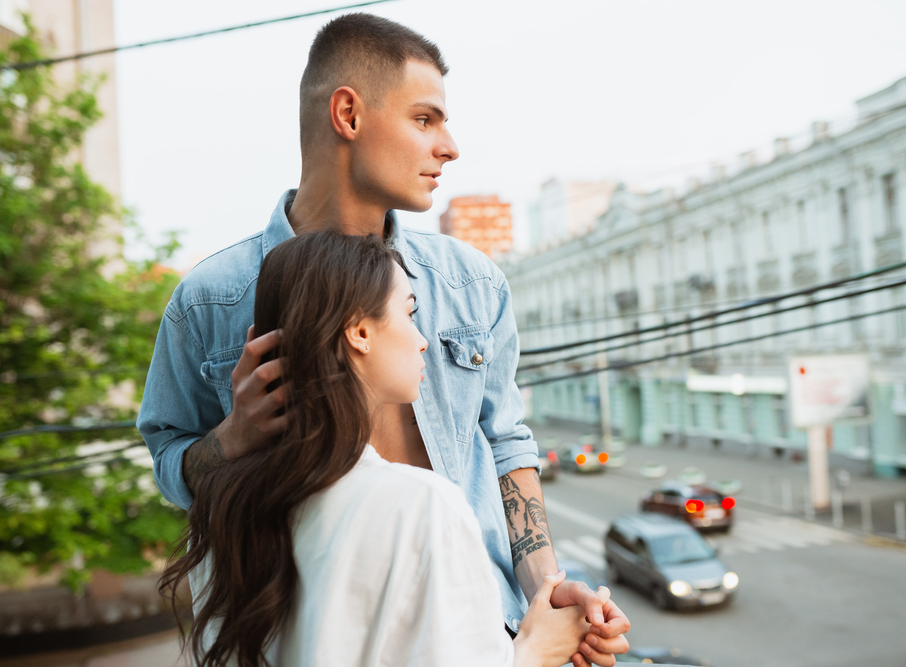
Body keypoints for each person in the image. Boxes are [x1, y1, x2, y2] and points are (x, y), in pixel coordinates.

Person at [138, 13, 629, 664]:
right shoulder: (210, 300)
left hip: (485, 629)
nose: (449, 146)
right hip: (318, 639)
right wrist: (232, 439)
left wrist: (548, 588)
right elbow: (173, 467)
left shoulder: (471, 282)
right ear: (348, 113)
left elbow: (507, 441)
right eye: (426, 119)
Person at [161, 230, 596, 667]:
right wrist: (536, 649)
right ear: (359, 331)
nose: (422, 339)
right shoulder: (423, 503)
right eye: (409, 314)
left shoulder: (224, 510)